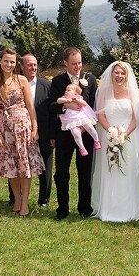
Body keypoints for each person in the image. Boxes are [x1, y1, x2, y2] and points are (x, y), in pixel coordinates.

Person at [91, 61, 139, 222]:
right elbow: (100, 115)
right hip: (109, 137)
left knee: (127, 171)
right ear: (111, 74)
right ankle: (109, 208)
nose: (119, 76)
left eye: (122, 73)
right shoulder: (103, 92)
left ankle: (127, 208)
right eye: (116, 73)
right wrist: (111, 131)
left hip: (128, 138)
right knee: (110, 170)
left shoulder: (131, 92)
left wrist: (124, 133)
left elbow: (136, 118)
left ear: (126, 76)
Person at [0, 49, 45, 217]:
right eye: (6, 61)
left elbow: (30, 105)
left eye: (12, 62)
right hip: (4, 129)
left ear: (16, 64)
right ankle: (17, 199)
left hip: (23, 127)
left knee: (24, 165)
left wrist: (35, 127)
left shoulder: (21, 80)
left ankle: (25, 201)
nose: (9, 64)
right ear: (0, 61)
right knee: (11, 165)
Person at [48, 47, 98, 220]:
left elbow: (94, 105)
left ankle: (85, 207)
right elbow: (51, 106)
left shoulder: (90, 80)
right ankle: (62, 209)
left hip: (85, 133)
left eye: (80, 63)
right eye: (74, 63)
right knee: (61, 172)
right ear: (65, 63)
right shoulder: (57, 81)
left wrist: (87, 124)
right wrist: (65, 106)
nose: (78, 67)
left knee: (85, 171)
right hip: (64, 134)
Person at [8, 54, 55, 208]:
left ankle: (43, 200)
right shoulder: (12, 84)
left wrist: (52, 135)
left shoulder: (46, 85)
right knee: (16, 164)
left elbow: (53, 112)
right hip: (18, 132)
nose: (33, 68)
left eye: (35, 65)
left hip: (43, 132)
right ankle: (15, 198)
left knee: (45, 167)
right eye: (29, 65)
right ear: (21, 66)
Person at [57, 83, 101, 156]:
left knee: (90, 127)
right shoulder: (64, 98)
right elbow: (58, 101)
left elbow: (84, 104)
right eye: (66, 90)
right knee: (75, 133)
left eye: (69, 90)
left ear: (75, 93)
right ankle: (81, 147)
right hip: (71, 119)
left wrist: (77, 100)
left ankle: (96, 140)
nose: (66, 91)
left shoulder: (78, 97)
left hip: (80, 117)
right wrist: (66, 101)